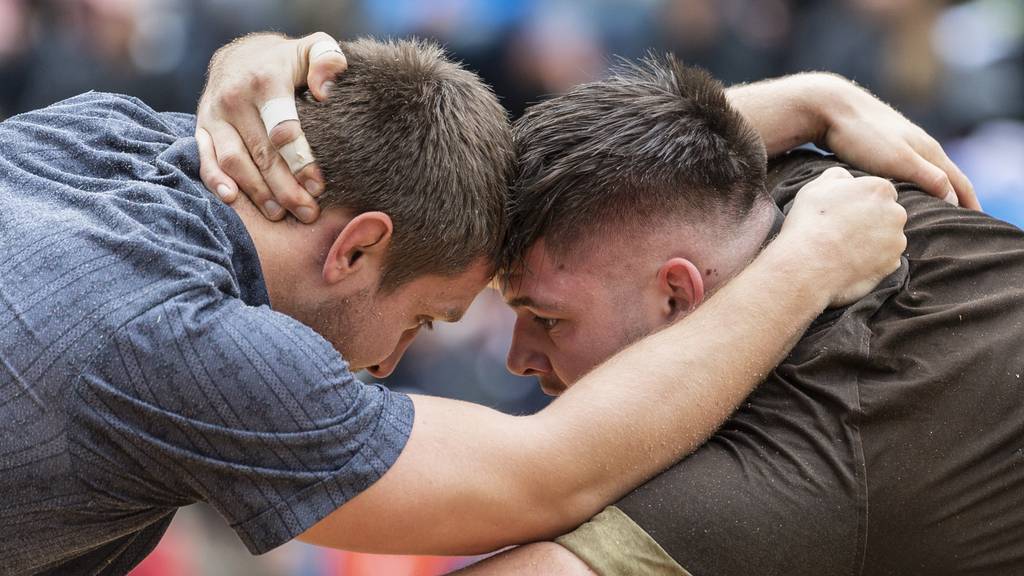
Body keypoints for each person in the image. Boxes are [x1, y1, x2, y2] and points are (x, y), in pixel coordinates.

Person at [0, 37, 905, 575]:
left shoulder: (104, 130)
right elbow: (547, 474)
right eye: (426, 318)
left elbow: (445, 169)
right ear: (356, 248)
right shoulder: (189, 343)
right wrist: (809, 265)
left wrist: (797, 100)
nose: (389, 364)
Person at [458, 55, 1024, 575]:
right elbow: (648, 151)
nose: (518, 358)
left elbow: (532, 483)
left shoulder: (804, 463)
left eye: (548, 319)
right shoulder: (783, 191)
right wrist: (812, 99)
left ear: (679, 295)